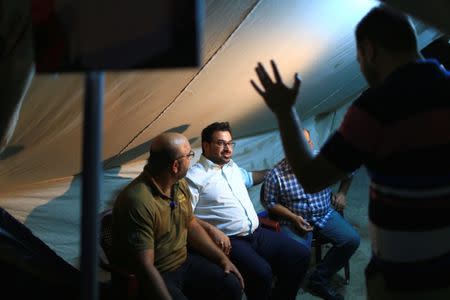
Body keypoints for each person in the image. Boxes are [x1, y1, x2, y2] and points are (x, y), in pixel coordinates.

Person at [251, 4, 450, 299]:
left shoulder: (376, 108)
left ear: (369, 51)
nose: (361, 68)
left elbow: (311, 177)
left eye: (358, 59)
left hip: (404, 269)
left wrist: (284, 111)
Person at [186, 121, 311, 300]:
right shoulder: (194, 177)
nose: (228, 149)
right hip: (231, 241)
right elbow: (183, 216)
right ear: (206, 145)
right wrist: (211, 229)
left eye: (230, 143)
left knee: (300, 255)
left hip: (256, 233)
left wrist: (275, 170)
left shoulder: (231, 167)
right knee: (262, 274)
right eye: (221, 143)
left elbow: (251, 177)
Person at [111, 132, 244, 300]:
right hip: (158, 272)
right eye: (189, 155)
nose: (192, 159)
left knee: (230, 284)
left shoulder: (178, 184)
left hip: (183, 261)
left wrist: (222, 259)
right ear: (175, 166)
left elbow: (190, 223)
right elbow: (145, 267)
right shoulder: (138, 201)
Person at [263, 128, 360, 300]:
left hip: (325, 214)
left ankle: (319, 279)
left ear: (310, 144)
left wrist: (342, 193)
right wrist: (293, 217)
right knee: (296, 256)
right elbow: (270, 203)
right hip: (294, 221)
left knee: (351, 240)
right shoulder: (276, 174)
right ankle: (285, 289)